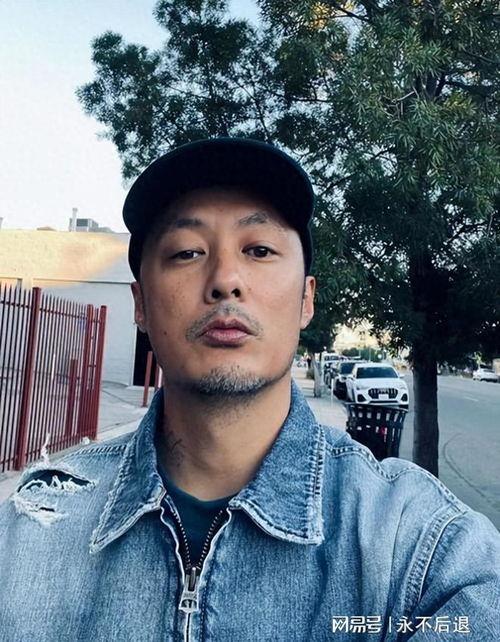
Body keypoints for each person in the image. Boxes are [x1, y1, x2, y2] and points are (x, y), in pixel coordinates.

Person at [0, 138, 498, 642]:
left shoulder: (419, 547)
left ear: (306, 300)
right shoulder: (28, 532)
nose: (225, 280)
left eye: (259, 250)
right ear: (141, 304)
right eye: (187, 252)